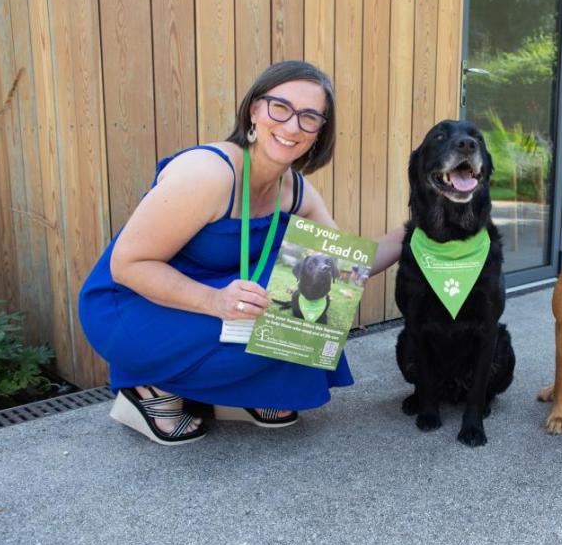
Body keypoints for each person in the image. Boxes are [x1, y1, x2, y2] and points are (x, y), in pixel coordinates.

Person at [79, 61, 403, 446]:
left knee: (318, 302)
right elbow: (128, 264)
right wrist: (215, 301)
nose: (291, 126)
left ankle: (233, 393)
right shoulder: (207, 174)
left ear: (319, 132)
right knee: (284, 311)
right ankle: (148, 388)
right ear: (254, 110)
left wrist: (417, 232)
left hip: (210, 301)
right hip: (129, 304)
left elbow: (348, 266)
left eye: (309, 117)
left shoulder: (294, 190)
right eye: (279, 107)